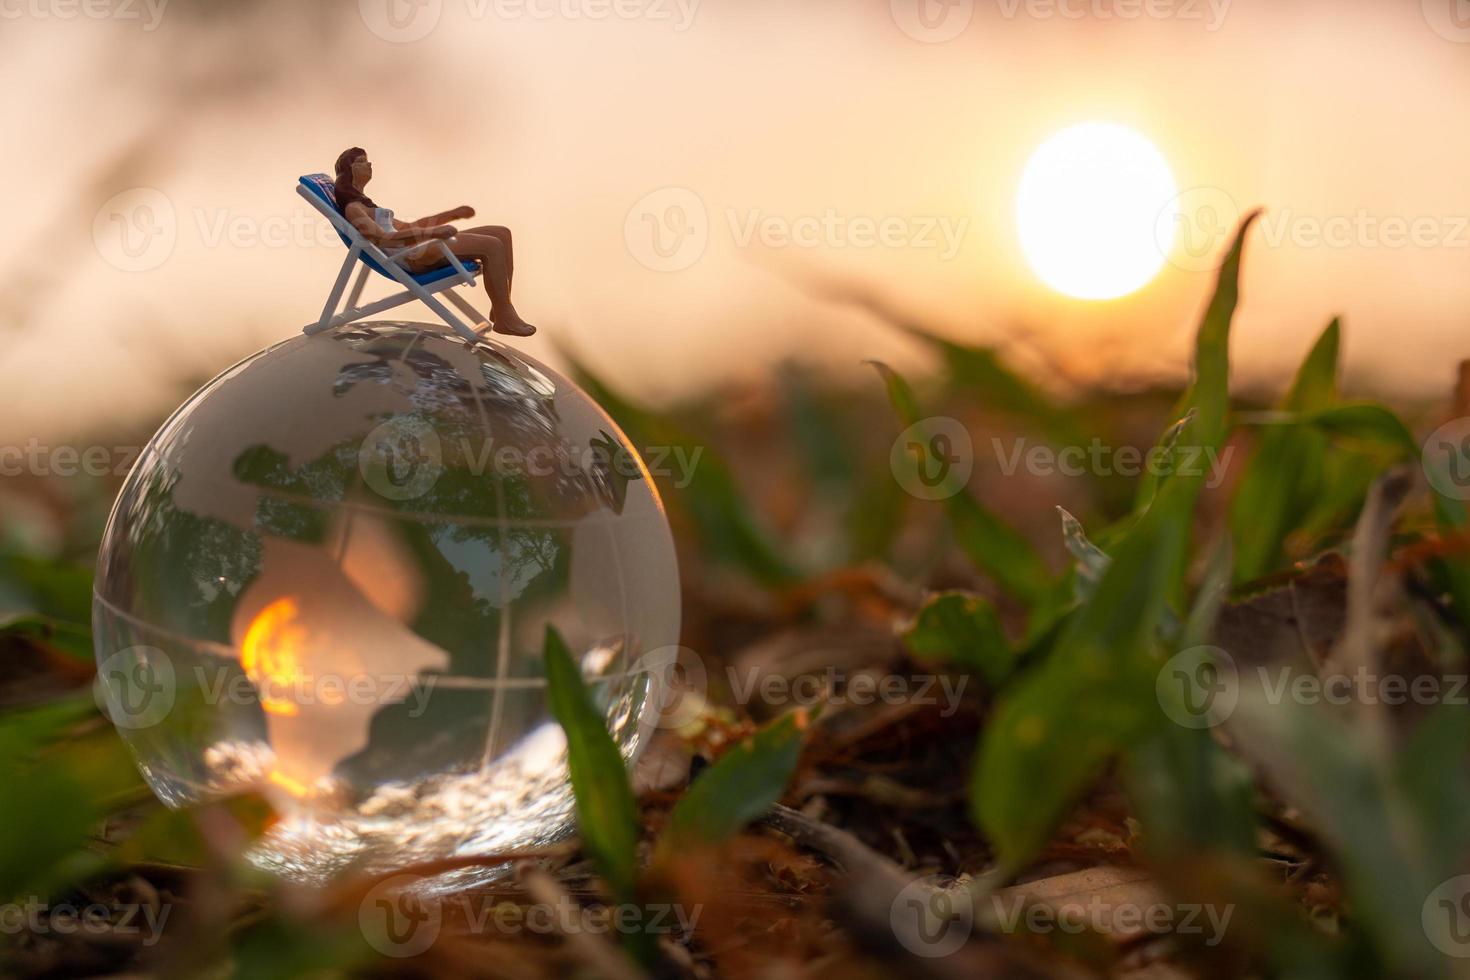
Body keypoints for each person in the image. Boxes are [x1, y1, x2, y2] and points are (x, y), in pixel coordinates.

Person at [332, 147, 535, 337]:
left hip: (417, 247)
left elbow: (408, 226)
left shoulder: (365, 204)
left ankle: (502, 307)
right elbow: (380, 238)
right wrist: (432, 233)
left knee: (501, 233)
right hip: (412, 256)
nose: (370, 165)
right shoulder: (353, 209)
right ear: (348, 171)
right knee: (492, 246)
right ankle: (505, 317)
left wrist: (452, 215)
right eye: (361, 162)